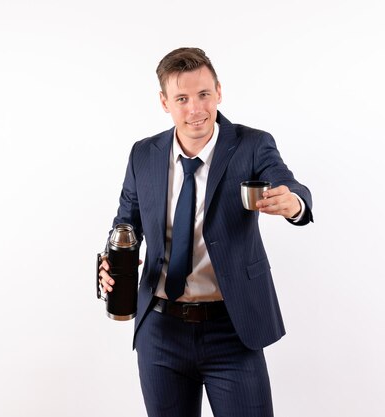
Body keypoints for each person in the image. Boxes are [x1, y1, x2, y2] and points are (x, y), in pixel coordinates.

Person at [99, 47, 313, 417]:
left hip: (232, 329)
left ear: (218, 92)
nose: (195, 109)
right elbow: (126, 222)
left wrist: (293, 203)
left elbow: (288, 184)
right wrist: (109, 263)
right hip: (160, 331)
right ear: (164, 102)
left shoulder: (252, 144)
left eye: (203, 95)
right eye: (182, 98)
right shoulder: (143, 154)